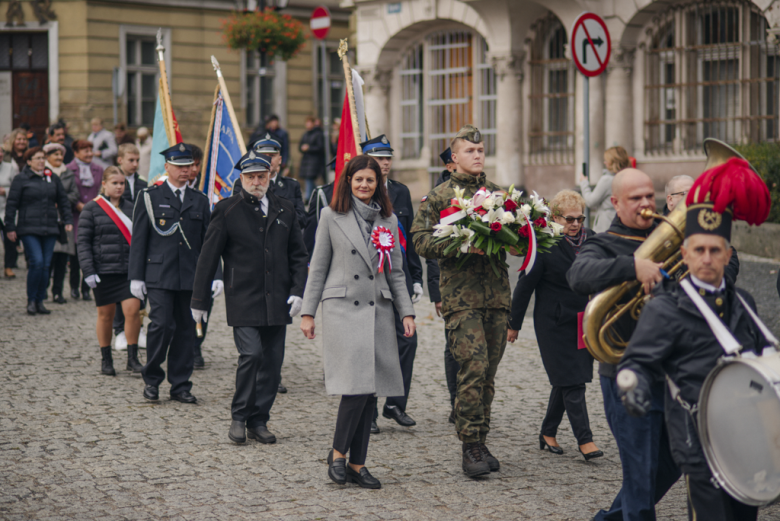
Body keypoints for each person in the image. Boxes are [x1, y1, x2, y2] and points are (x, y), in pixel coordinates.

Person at [618, 152, 771, 521]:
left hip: (747, 440)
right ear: (684, 255)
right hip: (699, 442)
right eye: (698, 250)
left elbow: (765, 358)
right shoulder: (666, 307)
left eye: (714, 250)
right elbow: (636, 361)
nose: (706, 258)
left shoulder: (744, 302)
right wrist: (633, 384)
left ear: (727, 253)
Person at [567, 168, 681, 521]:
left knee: (675, 460)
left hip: (674, 372)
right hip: (626, 373)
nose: (647, 204)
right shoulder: (603, 243)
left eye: (650, 195)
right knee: (639, 472)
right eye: (636, 198)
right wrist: (633, 266)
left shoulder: (674, 238)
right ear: (615, 203)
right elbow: (578, 276)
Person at [301, 154, 415, 489]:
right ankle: (337, 453)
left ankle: (357, 464)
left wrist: (406, 312)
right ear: (348, 182)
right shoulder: (331, 216)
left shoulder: (388, 221)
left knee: (370, 392)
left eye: (370, 180)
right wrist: (308, 312)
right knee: (355, 388)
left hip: (378, 310)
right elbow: (318, 267)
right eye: (359, 179)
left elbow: (395, 273)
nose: (364, 185)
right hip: (343, 310)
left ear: (378, 184)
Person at [411, 125, 516, 478]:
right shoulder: (439, 197)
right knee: (472, 368)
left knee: (488, 374)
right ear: (454, 157)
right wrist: (459, 242)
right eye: (470, 151)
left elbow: (518, 240)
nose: (477, 156)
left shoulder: (499, 196)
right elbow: (420, 241)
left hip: (497, 296)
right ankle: (469, 444)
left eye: (481, 150)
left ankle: (481, 438)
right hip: (462, 298)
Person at [192, 151, 307, 444]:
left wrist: (298, 292)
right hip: (242, 296)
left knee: (272, 363)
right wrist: (199, 302)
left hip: (278, 298)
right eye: (250, 177)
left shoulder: (286, 208)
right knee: (251, 354)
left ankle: (259, 419)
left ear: (269, 176)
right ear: (241, 178)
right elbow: (208, 256)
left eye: (261, 176)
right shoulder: (227, 209)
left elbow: (298, 255)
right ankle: (239, 416)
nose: (256, 182)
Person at [508, 189, 602, 460]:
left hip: (584, 320)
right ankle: (585, 440)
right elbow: (525, 286)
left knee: (568, 379)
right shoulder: (544, 243)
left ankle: (548, 432)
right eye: (569, 219)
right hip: (554, 323)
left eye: (579, 219)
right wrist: (514, 324)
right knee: (573, 382)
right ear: (555, 217)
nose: (575, 224)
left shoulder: (593, 240)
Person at [128, 143, 220, 404]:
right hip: (159, 274)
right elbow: (139, 239)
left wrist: (217, 274)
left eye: (188, 166)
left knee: (186, 330)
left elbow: (209, 243)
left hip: (190, 276)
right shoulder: (150, 196)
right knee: (162, 325)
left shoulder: (200, 201)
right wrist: (136, 276)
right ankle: (152, 379)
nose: (184, 171)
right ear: (166, 167)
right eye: (179, 166)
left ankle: (180, 385)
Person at [359, 134, 424, 433]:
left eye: (388, 158)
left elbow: (406, 240)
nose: (385, 163)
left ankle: (396, 403)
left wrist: (417, 278)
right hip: (370, 283)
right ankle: (368, 410)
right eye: (378, 158)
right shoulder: (359, 192)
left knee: (407, 341)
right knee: (371, 347)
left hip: (398, 280)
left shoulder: (400, 191)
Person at [77, 166, 143, 376]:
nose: (119, 187)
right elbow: (83, 242)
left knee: (133, 312)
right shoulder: (91, 208)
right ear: (104, 184)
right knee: (105, 316)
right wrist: (88, 270)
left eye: (122, 183)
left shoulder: (133, 208)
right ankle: (106, 358)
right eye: (115, 183)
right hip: (103, 271)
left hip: (128, 271)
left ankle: (132, 358)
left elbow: (141, 241)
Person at [4, 147, 73, 315]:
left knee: (46, 266)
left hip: (50, 227)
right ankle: (31, 300)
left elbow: (63, 200)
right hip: (28, 228)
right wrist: (10, 227)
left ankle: (40, 300)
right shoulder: (21, 179)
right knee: (37, 262)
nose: (41, 161)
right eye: (37, 158)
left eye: (43, 158)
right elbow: (11, 204)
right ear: (29, 161)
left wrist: (68, 220)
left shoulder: (52, 177)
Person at [425, 147, 459, 422]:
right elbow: (432, 250)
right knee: (453, 346)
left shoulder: (482, 194)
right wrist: (436, 293)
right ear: (450, 166)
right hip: (450, 287)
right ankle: (456, 401)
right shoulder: (437, 198)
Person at [112, 142, 148, 351]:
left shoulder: (143, 184)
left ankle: (138, 327)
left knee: (141, 288)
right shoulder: (114, 183)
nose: (135, 164)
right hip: (120, 245)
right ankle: (119, 331)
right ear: (120, 160)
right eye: (130, 160)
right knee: (121, 289)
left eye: (137, 161)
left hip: (140, 243)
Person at [64, 140, 104, 301]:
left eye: (90, 150)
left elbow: (101, 188)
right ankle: (74, 287)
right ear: (76, 152)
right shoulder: (68, 169)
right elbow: (65, 191)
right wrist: (78, 204)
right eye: (84, 150)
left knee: (92, 253)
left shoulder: (99, 169)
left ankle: (86, 288)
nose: (89, 153)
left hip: (94, 215)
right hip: (75, 215)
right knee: (75, 255)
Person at [44, 143, 75, 304]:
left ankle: (58, 291)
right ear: (47, 157)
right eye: (54, 154)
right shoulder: (42, 173)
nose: (58, 157)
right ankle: (43, 289)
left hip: (64, 221)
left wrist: (62, 201)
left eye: (60, 155)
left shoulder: (68, 173)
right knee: (47, 259)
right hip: (46, 221)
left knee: (62, 260)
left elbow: (73, 194)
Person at [579, 146, 630, 233]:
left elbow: (590, 201)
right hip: (623, 223)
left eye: (607, 160)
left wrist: (584, 182)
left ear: (612, 162)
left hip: (606, 224)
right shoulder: (628, 177)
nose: (605, 162)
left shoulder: (607, 180)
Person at [0, 147, 19, 279]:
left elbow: (16, 187)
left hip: (6, 208)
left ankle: (8, 266)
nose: (0, 154)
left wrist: (4, 191)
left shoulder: (10, 167)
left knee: (10, 239)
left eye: (1, 152)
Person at [298, 116, 326, 199]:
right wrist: (302, 148)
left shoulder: (318, 134)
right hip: (306, 161)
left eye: (310, 123)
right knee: (309, 180)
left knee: (310, 179)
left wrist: (309, 148)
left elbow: (320, 147)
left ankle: (308, 198)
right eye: (307, 123)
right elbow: (300, 146)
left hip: (314, 161)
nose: (308, 125)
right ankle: (316, 195)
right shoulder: (305, 134)